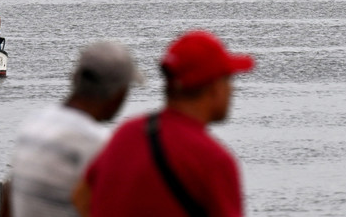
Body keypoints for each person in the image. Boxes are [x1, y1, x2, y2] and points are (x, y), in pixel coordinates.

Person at [73, 31, 254, 217]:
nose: (232, 89)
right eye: (228, 79)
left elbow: (81, 197)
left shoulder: (126, 133)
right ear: (214, 88)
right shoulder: (213, 161)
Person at [6, 42, 141, 217]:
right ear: (119, 94)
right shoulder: (97, 144)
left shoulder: (32, 124)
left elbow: (8, 197)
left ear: (75, 78)